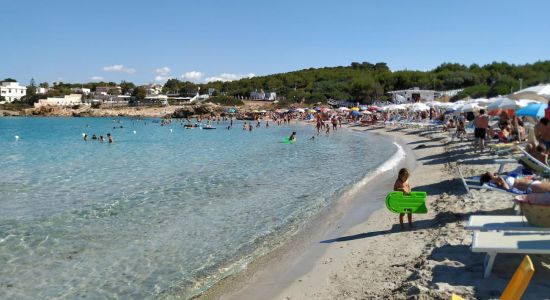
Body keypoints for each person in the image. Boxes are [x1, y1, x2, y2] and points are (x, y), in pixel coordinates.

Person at [480, 172, 550, 193]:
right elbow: (508, 189)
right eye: (493, 176)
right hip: (531, 187)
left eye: (494, 174)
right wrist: (502, 181)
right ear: (491, 180)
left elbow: (518, 178)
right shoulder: (500, 183)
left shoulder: (501, 179)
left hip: (533, 182)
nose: (496, 176)